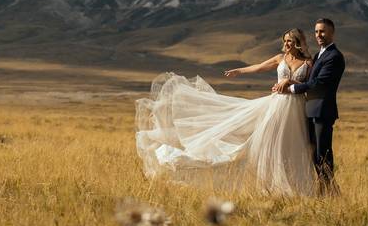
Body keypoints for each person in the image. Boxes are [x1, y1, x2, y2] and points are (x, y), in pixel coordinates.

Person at [134, 29, 315, 196]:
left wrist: (291, 83)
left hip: (297, 106)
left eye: (290, 41)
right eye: (285, 41)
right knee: (270, 143)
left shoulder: (308, 62)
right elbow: (259, 66)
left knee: (293, 144)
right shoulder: (280, 58)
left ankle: (297, 186)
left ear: (298, 42)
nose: (287, 44)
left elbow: (313, 85)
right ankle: (271, 185)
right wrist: (240, 71)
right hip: (277, 104)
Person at [273, 18, 345, 194]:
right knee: (314, 154)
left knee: (323, 154)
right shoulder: (319, 55)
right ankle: (324, 190)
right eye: (316, 32)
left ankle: (329, 191)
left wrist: (292, 87)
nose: (319, 35)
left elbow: (319, 83)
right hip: (310, 110)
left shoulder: (334, 56)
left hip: (322, 111)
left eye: (323, 31)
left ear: (332, 32)